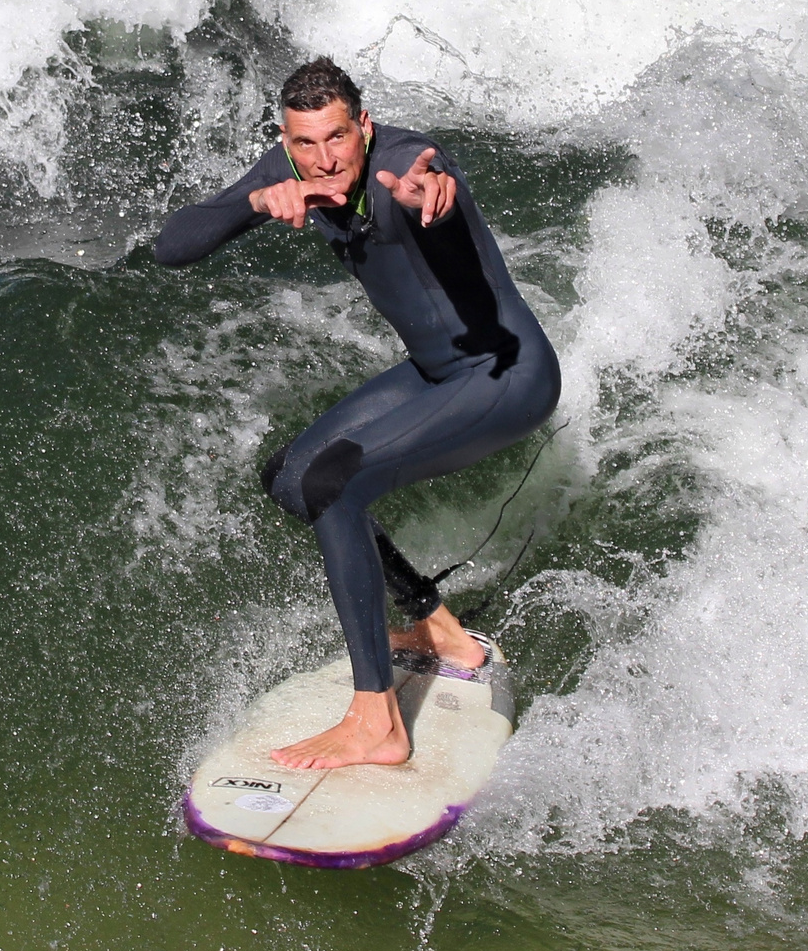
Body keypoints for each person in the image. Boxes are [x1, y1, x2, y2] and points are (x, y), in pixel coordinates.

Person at [153, 57, 560, 770]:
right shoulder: (291, 165)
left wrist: (422, 193)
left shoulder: (402, 163)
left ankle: (378, 721)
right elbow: (171, 247)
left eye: (337, 138)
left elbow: (432, 188)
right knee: (290, 477)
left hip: (507, 374)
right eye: (305, 144)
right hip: (436, 373)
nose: (324, 159)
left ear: (362, 127)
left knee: (333, 485)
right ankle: (440, 630)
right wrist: (255, 202)